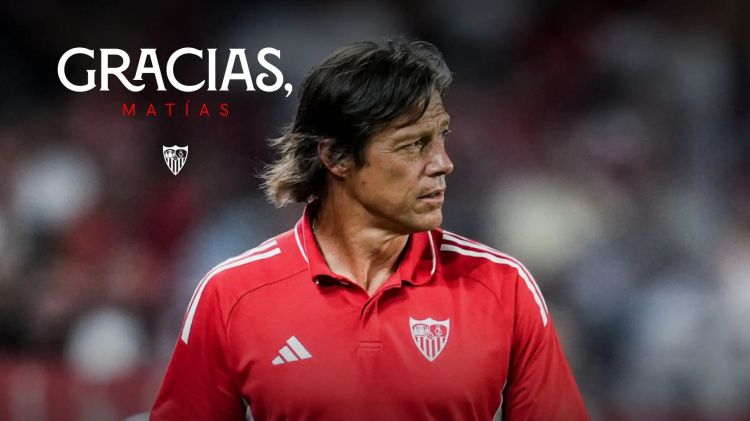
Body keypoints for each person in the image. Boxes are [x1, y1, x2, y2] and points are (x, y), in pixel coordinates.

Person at [151, 38, 589, 420]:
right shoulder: (232, 296)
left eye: (441, 137)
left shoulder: (503, 287)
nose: (443, 163)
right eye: (413, 144)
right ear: (336, 157)